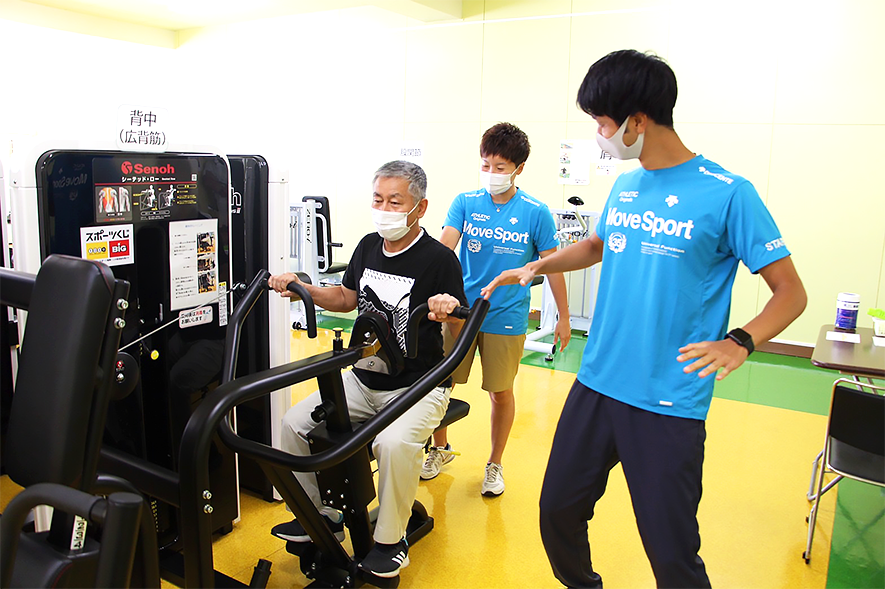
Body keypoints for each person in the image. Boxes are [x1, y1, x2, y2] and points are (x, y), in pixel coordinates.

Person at [481, 50, 807, 588]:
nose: (599, 136)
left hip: (667, 398)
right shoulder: (627, 186)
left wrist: (741, 341)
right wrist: (537, 265)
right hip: (598, 381)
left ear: (637, 121)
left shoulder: (728, 193)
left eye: (602, 124)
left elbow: (790, 292)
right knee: (557, 511)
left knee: (670, 549)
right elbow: (596, 245)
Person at [268, 160, 468, 579]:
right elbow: (345, 297)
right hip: (364, 377)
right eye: (378, 199)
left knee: (392, 444)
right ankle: (318, 517)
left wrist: (447, 311)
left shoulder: (438, 260)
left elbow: (459, 325)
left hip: (419, 385)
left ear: (420, 207)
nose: (384, 209)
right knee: (292, 424)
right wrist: (303, 289)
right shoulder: (367, 246)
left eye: (396, 201)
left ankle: (390, 542)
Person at [421, 122, 571, 497]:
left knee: (500, 392)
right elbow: (443, 250)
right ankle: (439, 448)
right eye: (485, 164)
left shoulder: (536, 213)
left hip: (506, 316)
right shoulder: (466, 202)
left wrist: (565, 318)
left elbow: (552, 267)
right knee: (441, 384)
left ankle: (495, 463)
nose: (491, 173)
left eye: (500, 167)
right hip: (460, 312)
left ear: (519, 168)